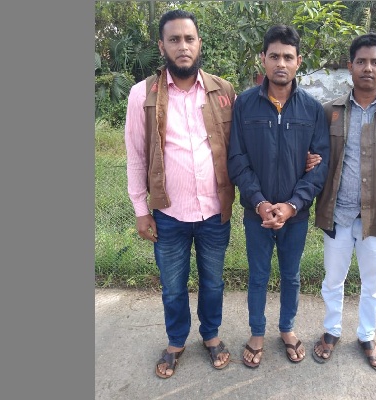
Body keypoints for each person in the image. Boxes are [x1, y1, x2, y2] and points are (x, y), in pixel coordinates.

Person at [124, 10, 237, 379]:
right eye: (174, 39)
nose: (183, 46)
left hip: (214, 212)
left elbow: (243, 146)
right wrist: (141, 210)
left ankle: (211, 335)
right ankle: (176, 341)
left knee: (213, 282)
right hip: (169, 215)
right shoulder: (142, 94)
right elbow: (136, 154)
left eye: (189, 39)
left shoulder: (223, 91)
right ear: (162, 46)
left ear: (199, 43)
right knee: (173, 287)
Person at [312, 33, 376, 372]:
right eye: (361, 62)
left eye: (375, 62)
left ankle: (367, 335)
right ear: (350, 66)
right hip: (337, 215)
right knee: (333, 280)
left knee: (373, 285)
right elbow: (316, 157)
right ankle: (331, 331)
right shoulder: (330, 112)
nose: (367, 68)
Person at [227, 24, 330, 368]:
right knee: (257, 276)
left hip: (295, 216)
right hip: (256, 214)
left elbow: (320, 165)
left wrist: (292, 205)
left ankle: (287, 328)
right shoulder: (244, 105)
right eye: (274, 56)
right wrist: (259, 202)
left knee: (291, 276)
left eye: (288, 57)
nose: (281, 63)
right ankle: (257, 333)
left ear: (298, 61)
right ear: (263, 59)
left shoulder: (312, 110)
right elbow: (237, 159)